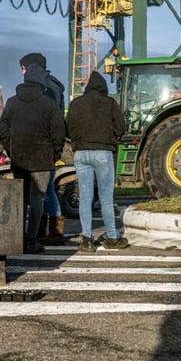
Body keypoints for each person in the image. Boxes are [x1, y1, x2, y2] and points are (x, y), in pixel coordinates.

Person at [0, 62, 66, 254]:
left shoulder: (12, 102)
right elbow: (59, 131)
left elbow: (3, 129)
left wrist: (11, 149)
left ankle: (18, 237)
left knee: (21, 198)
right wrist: (55, 153)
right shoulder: (49, 103)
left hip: (19, 157)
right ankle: (31, 238)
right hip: (43, 159)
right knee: (38, 199)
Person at [66, 71, 127, 252]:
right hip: (103, 152)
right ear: (103, 88)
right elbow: (121, 127)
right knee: (106, 198)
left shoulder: (76, 104)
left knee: (85, 197)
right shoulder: (109, 103)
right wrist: (112, 138)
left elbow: (67, 128)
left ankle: (87, 239)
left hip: (81, 154)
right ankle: (112, 238)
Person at [20, 52, 67, 244]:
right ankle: (49, 229)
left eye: (23, 68)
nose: (22, 72)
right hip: (48, 147)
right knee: (46, 191)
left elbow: (50, 123)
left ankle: (51, 231)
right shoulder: (56, 87)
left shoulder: (45, 89)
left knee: (44, 191)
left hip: (41, 147)